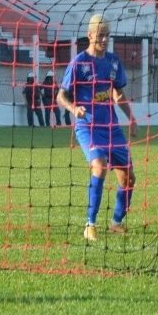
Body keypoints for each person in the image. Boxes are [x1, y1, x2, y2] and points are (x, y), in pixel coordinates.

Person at [57, 14, 138, 241]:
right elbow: (61, 96)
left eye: (107, 36)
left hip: (111, 126)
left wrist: (131, 118)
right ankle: (90, 224)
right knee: (100, 166)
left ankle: (116, 222)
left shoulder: (113, 62)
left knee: (129, 178)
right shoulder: (78, 63)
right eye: (100, 35)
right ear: (90, 35)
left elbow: (118, 93)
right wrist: (74, 109)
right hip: (88, 126)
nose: (104, 40)